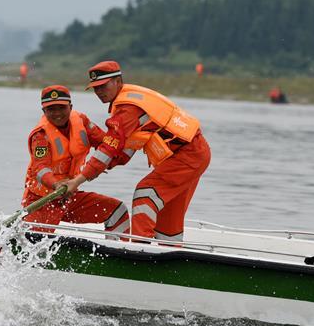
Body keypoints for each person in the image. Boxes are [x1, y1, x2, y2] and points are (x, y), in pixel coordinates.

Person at [56, 61, 211, 242]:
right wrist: (103, 162)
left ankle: (140, 249)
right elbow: (122, 153)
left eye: (103, 86)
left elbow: (108, 149)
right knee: (168, 214)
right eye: (95, 88)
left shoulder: (127, 110)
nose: (99, 92)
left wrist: (78, 180)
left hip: (187, 155)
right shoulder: (130, 101)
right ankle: (169, 254)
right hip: (192, 153)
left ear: (118, 81)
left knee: (145, 194)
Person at [23, 85, 129, 236]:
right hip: (42, 201)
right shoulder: (40, 135)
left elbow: (105, 144)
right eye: (51, 109)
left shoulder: (82, 121)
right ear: (44, 111)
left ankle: (120, 253)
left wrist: (108, 160)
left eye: (61, 108)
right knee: (36, 243)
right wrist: (56, 184)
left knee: (118, 211)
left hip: (69, 197)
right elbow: (40, 168)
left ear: (70, 107)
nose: (57, 113)